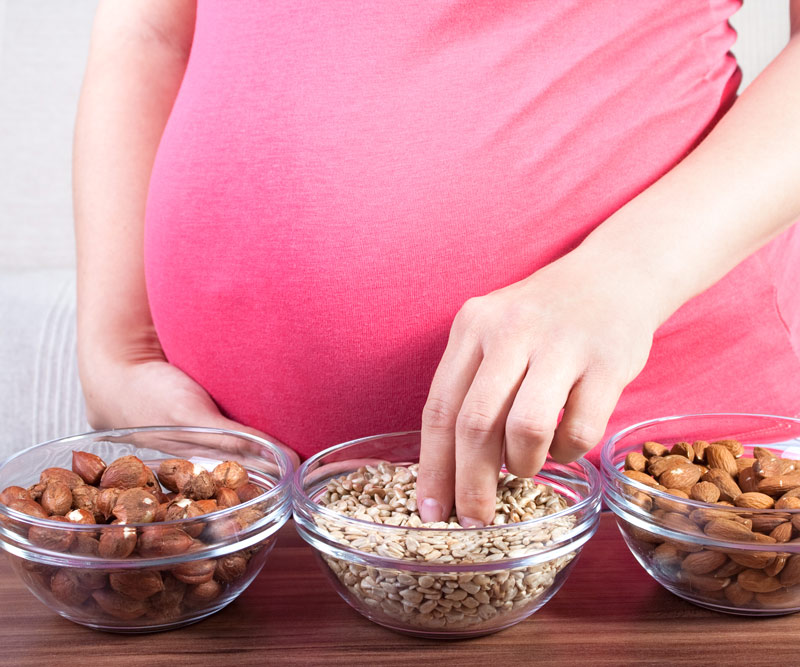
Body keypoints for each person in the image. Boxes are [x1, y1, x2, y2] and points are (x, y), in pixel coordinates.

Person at [74, 1, 800, 529]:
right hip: (219, 497)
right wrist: (117, 352)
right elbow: (149, 30)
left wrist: (624, 276)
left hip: (661, 486)